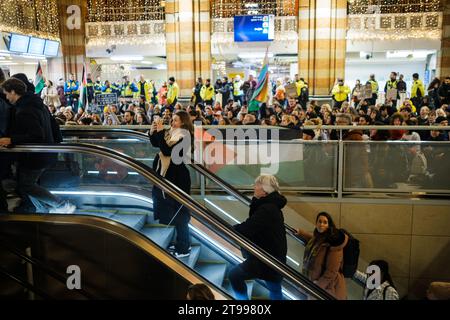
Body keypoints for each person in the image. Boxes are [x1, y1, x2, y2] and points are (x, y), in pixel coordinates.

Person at [0, 78, 75, 214]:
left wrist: (11, 140)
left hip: (35, 156)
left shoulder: (25, 110)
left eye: (6, 93)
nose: (6, 97)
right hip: (45, 153)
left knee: (26, 185)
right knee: (26, 185)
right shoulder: (36, 103)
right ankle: (43, 211)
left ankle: (61, 205)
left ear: (13, 91)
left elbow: (36, 135)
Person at [228, 175, 287, 300]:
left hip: (265, 259)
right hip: (272, 258)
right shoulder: (270, 206)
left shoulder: (267, 209)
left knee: (234, 275)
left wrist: (230, 229)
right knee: (275, 289)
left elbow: (248, 227)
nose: (254, 187)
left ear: (265, 191)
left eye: (257, 185)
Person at [149, 110, 193, 258]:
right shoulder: (172, 133)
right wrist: (154, 131)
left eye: (175, 120)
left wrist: (161, 131)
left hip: (177, 178)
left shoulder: (185, 136)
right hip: (168, 177)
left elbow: (167, 151)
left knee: (180, 213)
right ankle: (182, 242)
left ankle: (184, 248)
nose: (172, 122)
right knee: (174, 212)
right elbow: (157, 143)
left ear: (183, 122)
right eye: (172, 120)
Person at [296, 212, 348, 299]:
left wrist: (316, 288)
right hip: (313, 283)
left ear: (329, 225)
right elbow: (312, 239)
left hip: (326, 288)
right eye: (319, 221)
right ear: (316, 223)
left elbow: (331, 272)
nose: (321, 224)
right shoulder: (318, 238)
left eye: (325, 222)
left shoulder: (334, 243)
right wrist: (300, 232)